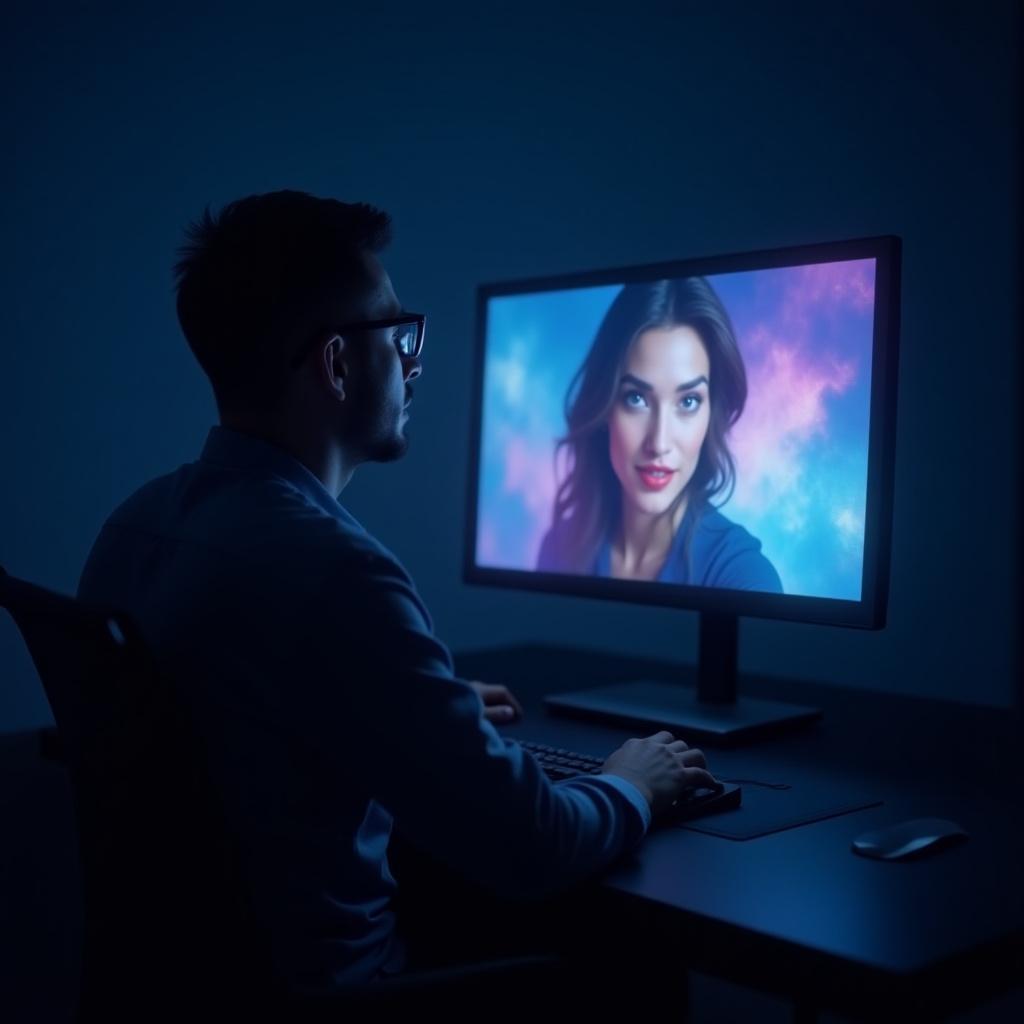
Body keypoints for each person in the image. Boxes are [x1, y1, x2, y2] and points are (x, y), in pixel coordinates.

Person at [77, 190, 720, 1000]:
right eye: (398, 333)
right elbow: (536, 846)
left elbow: (241, 728)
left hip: (179, 991)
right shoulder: (336, 571)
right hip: (343, 994)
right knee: (629, 953)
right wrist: (634, 780)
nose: (414, 361)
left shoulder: (130, 528)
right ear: (339, 364)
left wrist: (415, 714)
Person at [537, 277, 783, 593]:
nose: (659, 442)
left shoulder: (743, 577)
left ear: (711, 414)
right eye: (636, 398)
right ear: (605, 405)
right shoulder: (561, 546)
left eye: (688, 401)